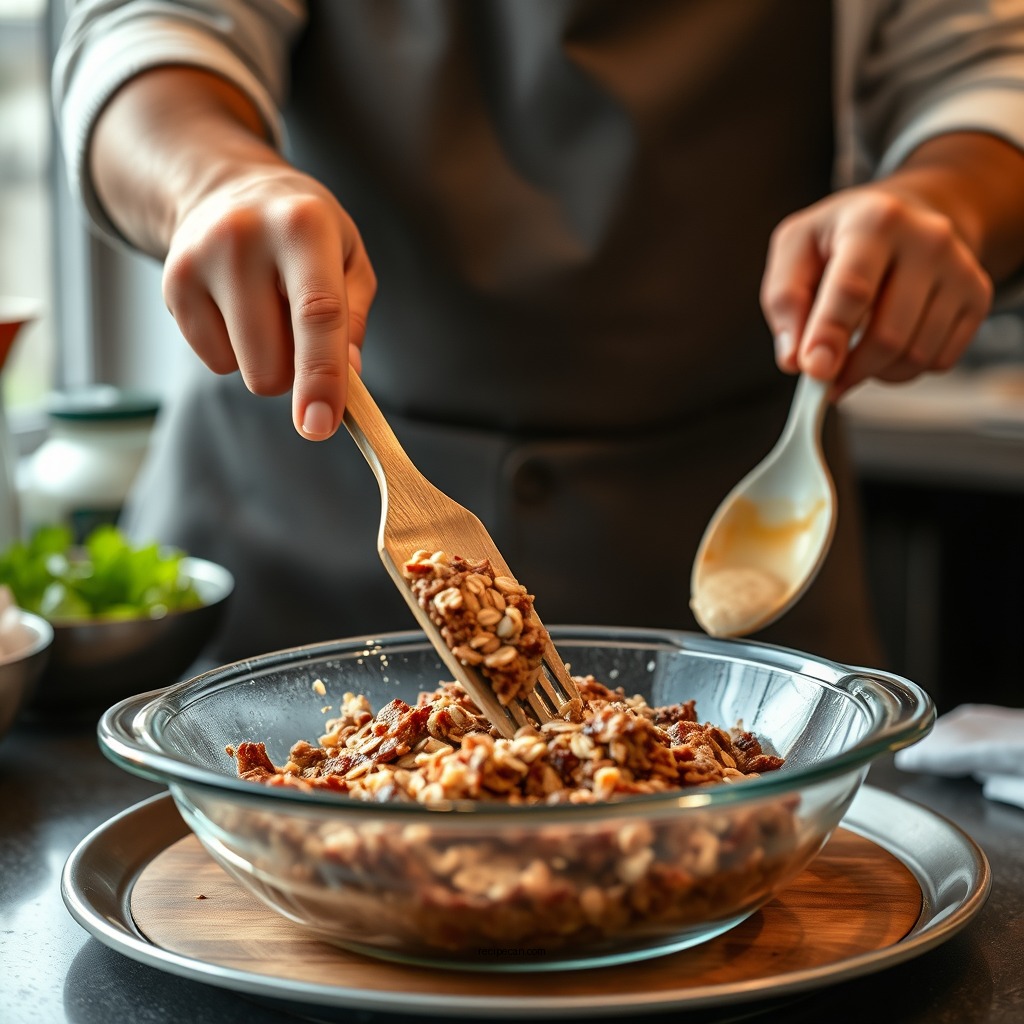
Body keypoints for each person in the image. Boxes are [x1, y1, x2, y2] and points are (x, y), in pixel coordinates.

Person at [51, 1, 1024, 670]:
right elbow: (148, 33)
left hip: (724, 553)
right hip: (291, 525)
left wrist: (943, 201)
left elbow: (985, 70)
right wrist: (215, 182)